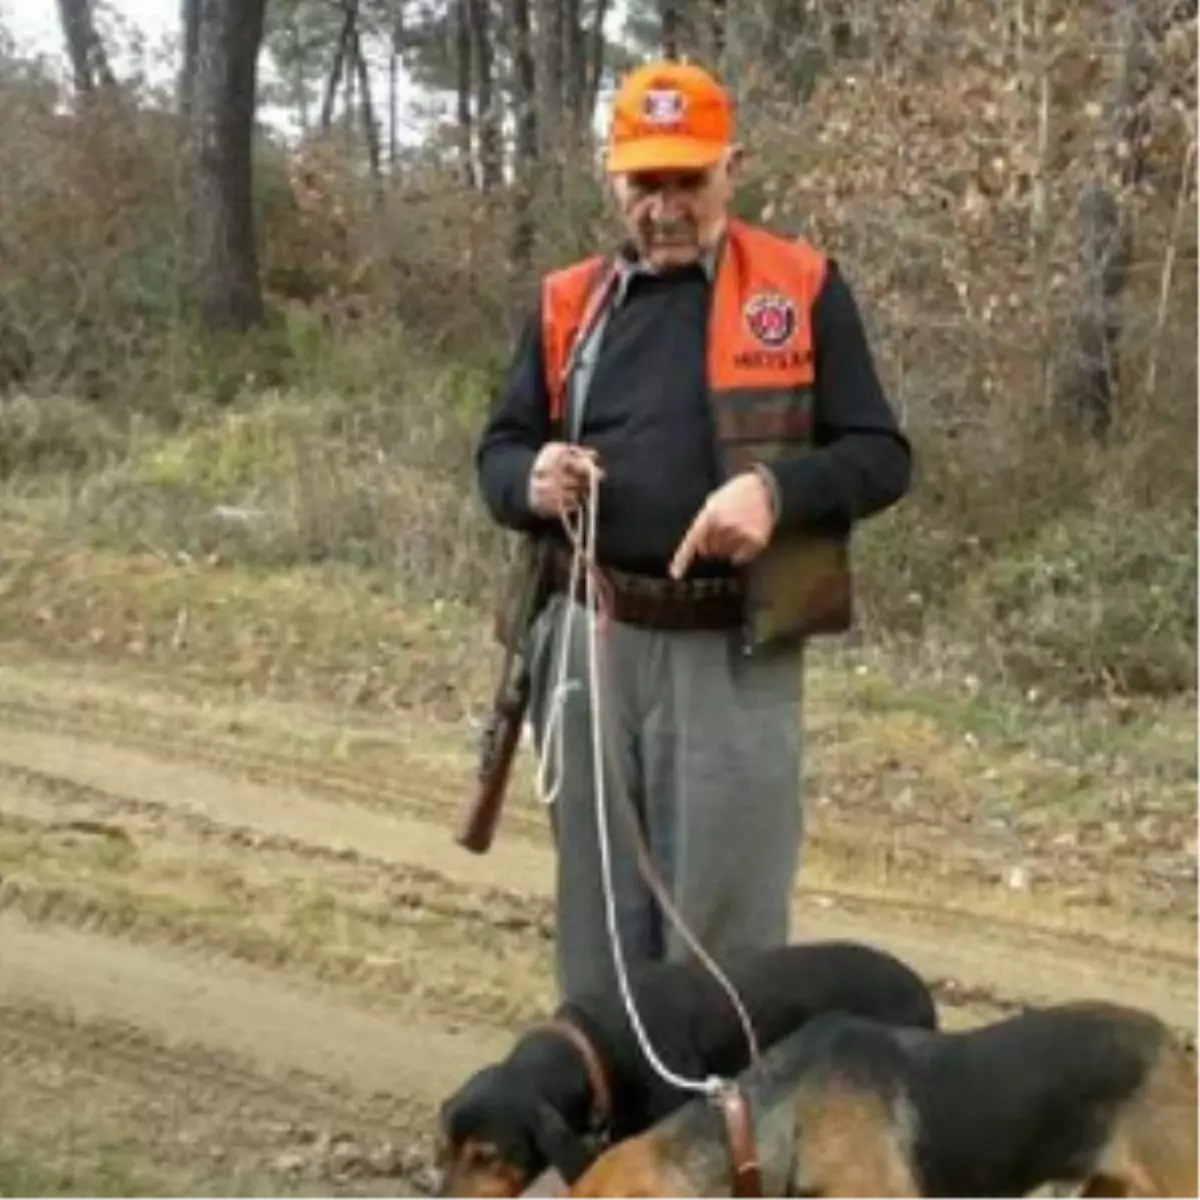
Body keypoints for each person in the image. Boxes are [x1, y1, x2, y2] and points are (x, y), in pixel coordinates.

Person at [474, 59, 913, 1001]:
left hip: (732, 652)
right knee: (598, 926)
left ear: (732, 168)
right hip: (589, 644)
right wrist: (532, 478)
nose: (665, 205)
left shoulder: (800, 288)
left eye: (689, 179)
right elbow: (500, 449)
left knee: (726, 932)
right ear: (612, 176)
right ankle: (614, 1134)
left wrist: (777, 493)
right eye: (645, 181)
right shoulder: (565, 304)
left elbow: (882, 456)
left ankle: (724, 1134)